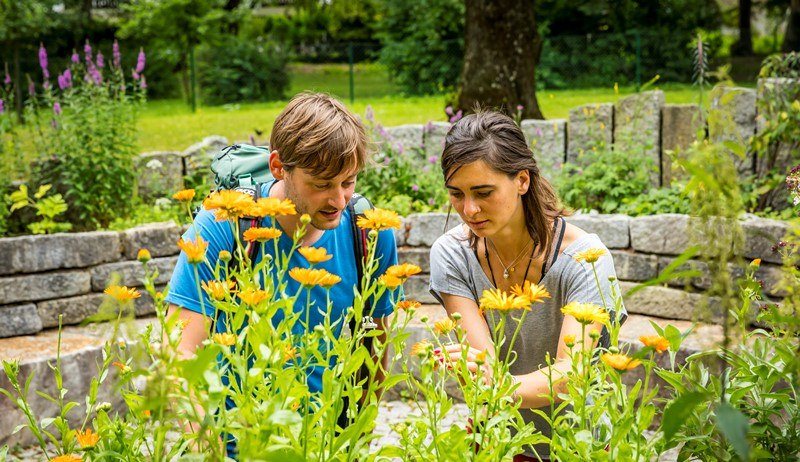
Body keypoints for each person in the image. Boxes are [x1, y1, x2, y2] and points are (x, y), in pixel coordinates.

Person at [165, 92, 400, 455]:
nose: (338, 200)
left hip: (324, 445)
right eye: (322, 184)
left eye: (348, 182)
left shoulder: (368, 232)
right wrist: (208, 451)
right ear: (278, 166)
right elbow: (180, 353)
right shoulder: (223, 224)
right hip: (236, 445)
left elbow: (374, 349)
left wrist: (353, 443)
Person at [428, 110, 625, 461]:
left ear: (522, 180)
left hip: (577, 444)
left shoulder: (586, 258)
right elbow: (483, 365)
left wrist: (494, 383)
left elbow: (571, 374)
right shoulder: (451, 254)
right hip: (499, 440)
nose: (469, 209)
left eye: (483, 192)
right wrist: (476, 371)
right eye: (456, 194)